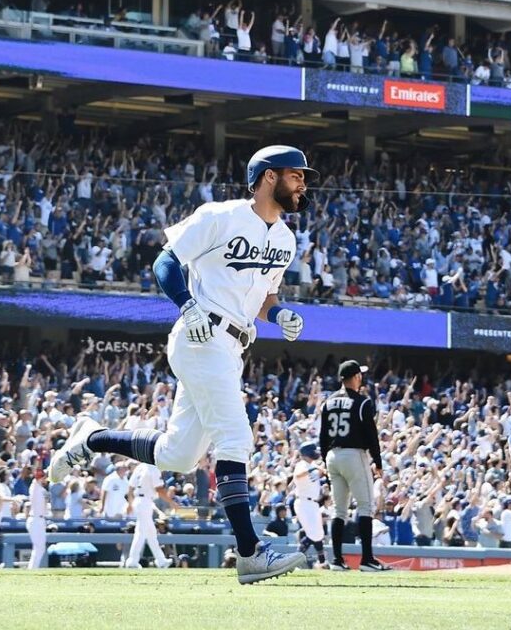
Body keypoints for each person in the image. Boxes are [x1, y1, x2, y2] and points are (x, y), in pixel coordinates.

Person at [50, 145, 315, 584]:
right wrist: (188, 306)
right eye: (296, 175)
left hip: (233, 346)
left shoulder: (285, 238)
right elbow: (165, 260)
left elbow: (265, 298)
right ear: (269, 177)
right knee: (235, 438)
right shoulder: (221, 215)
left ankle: (93, 438)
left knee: (178, 455)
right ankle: (250, 553)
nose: (303, 183)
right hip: (201, 335)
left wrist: (278, 313)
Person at [318, 360, 390, 572]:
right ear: (356, 377)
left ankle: (337, 560)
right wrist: (378, 462)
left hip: (332, 455)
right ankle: (367, 559)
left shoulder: (328, 402)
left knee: (339, 511)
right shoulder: (362, 402)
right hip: (353, 454)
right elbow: (371, 436)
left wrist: (326, 459)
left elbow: (323, 436)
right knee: (365, 506)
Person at [124, 462, 172, 570]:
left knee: (151, 533)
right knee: (141, 533)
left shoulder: (140, 467)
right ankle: (132, 561)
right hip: (144, 501)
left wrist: (130, 503)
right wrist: (172, 502)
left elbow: (130, 487)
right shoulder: (153, 468)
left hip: (141, 500)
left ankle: (161, 560)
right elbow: (159, 489)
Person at [292, 442, 327, 567]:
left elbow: (323, 472)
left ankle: (322, 562)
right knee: (313, 534)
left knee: (318, 534)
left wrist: (320, 469)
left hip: (313, 503)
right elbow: (297, 475)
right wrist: (315, 468)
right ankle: (293, 561)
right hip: (303, 502)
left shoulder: (312, 465)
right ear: (306, 452)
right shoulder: (302, 464)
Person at [26, 468, 48, 569]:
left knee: (40, 548)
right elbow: (36, 477)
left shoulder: (42, 489)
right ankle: (32, 569)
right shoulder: (34, 486)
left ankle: (33, 569)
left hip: (40, 519)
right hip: (34, 519)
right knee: (39, 547)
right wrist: (39, 460)